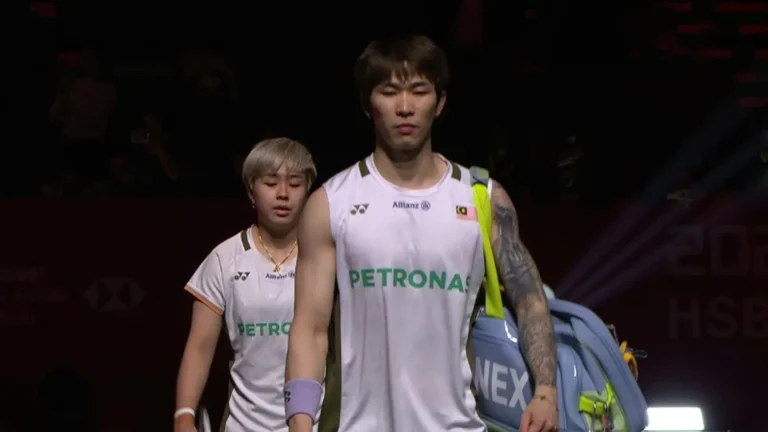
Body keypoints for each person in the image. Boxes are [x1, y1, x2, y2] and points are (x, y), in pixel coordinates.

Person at [284, 35, 559, 432]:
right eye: (389, 92)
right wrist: (300, 423)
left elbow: (531, 300)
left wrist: (546, 392)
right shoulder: (332, 202)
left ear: (440, 102)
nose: (405, 107)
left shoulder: (482, 197)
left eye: (419, 90)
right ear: (367, 104)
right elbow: (309, 330)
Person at [174, 137, 317, 432]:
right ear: (251, 189)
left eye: (294, 183)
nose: (282, 193)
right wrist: (184, 415)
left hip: (316, 423)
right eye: (270, 183)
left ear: (308, 189)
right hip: (244, 424)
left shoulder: (326, 257)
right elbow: (200, 346)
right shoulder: (224, 258)